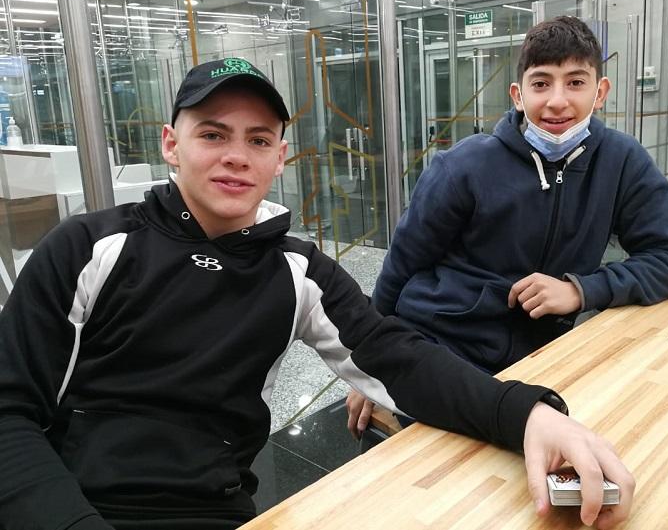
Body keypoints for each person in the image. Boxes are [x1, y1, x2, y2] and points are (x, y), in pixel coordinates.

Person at [0, 57, 633, 530]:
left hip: (215, 510)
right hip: (69, 501)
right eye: (213, 135)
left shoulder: (296, 270)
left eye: (258, 140)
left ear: (280, 158)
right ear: (172, 144)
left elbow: (399, 358)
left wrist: (529, 415)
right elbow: (8, 412)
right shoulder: (90, 248)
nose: (236, 157)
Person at [348, 16, 668, 438]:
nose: (557, 101)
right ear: (518, 95)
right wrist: (372, 365)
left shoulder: (622, 161)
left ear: (600, 92)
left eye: (575, 82)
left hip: (540, 356)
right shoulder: (464, 165)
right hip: (440, 348)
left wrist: (580, 290)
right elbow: (400, 267)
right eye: (541, 83)